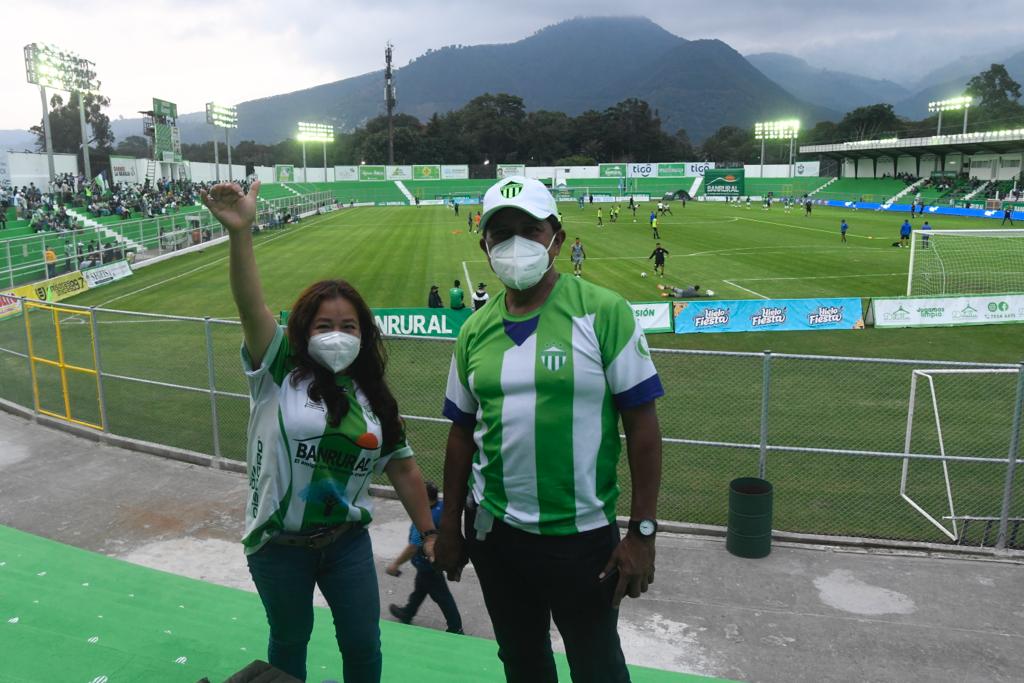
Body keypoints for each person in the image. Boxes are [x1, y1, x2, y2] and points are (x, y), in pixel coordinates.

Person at [200, 180, 438, 683]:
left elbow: (403, 467)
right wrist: (240, 234)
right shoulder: (279, 367)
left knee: (363, 646)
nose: (337, 334)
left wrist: (432, 532)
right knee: (289, 645)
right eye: (324, 324)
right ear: (304, 330)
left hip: (346, 542)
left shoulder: (374, 395)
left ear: (364, 334)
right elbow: (249, 306)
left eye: (349, 326)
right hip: (278, 545)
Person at [435, 175, 663, 683]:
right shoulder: (473, 330)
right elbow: (460, 434)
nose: (515, 243)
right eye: (501, 233)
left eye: (529, 229)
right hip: (495, 535)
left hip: (581, 539)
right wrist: (450, 525)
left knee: (598, 665)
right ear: (485, 245)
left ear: (556, 238)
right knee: (522, 661)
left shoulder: (604, 312)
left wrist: (642, 533)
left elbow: (643, 428)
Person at [386, 481, 464, 634]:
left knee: (442, 596)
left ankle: (456, 627)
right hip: (434, 561)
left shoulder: (424, 519)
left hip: (427, 563)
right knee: (420, 588)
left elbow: (413, 546)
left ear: (424, 498)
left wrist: (395, 564)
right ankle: (408, 612)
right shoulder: (441, 508)